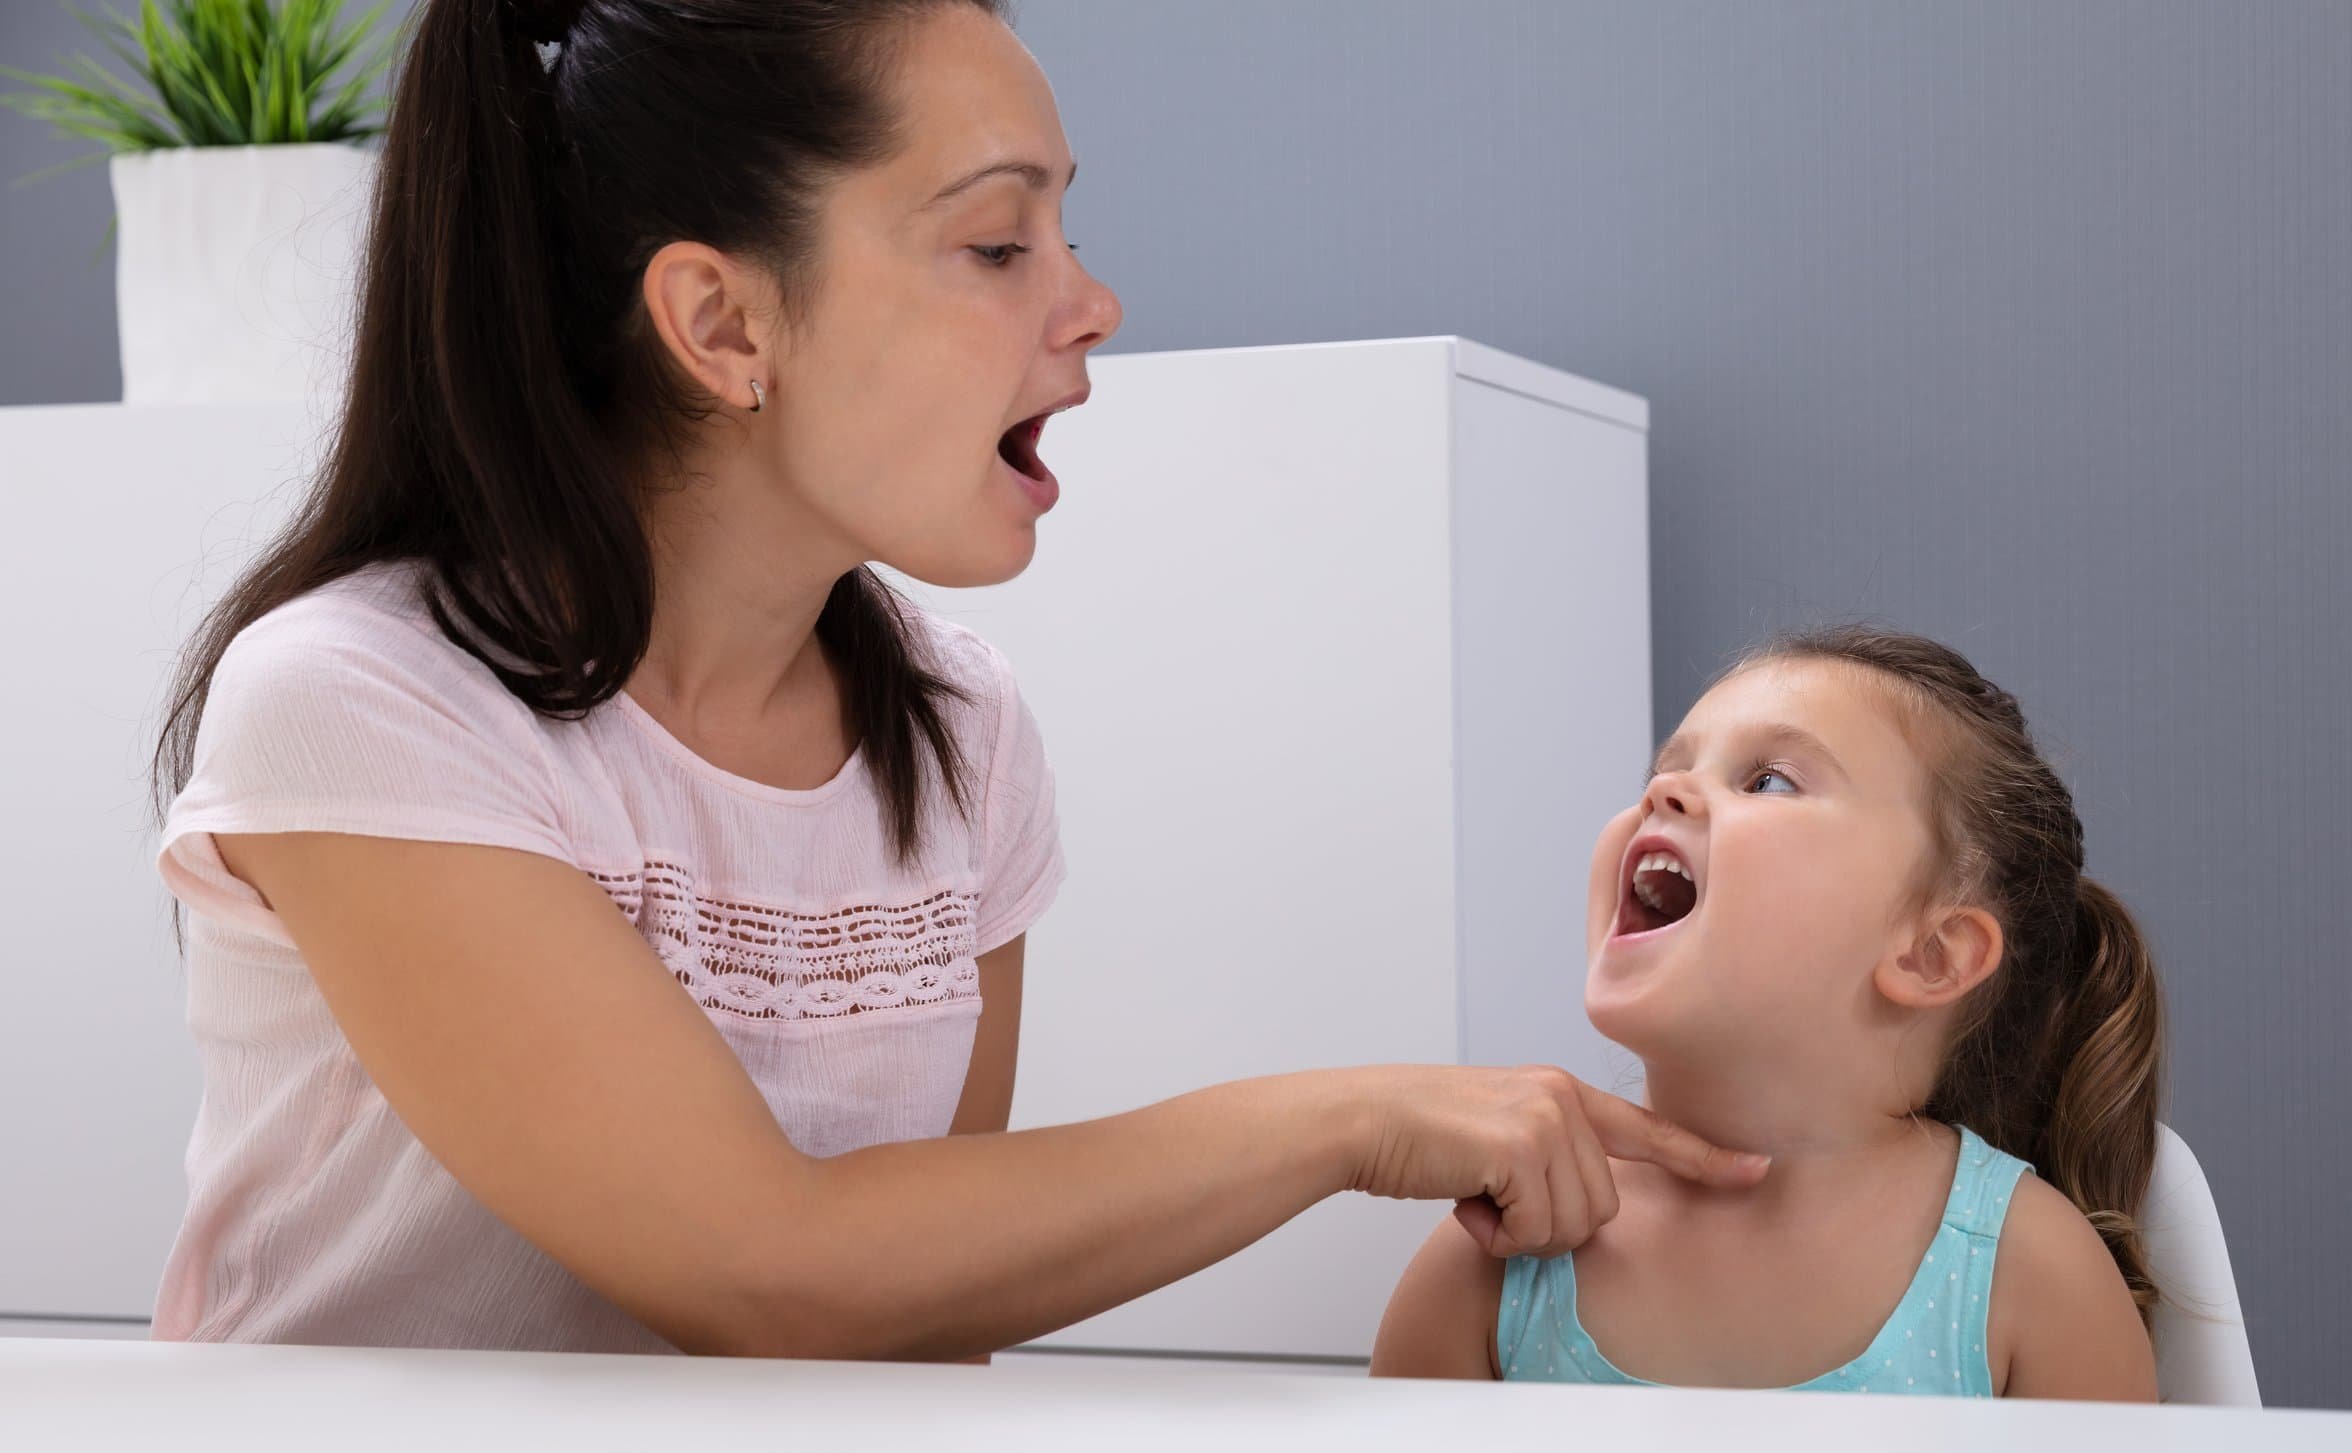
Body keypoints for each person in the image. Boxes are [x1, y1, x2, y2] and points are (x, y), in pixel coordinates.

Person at [146, 0, 1765, 1357]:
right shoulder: (364, 698)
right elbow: (767, 1264)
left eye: (1066, 227)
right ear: (719, 321)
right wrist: (1352, 1122)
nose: (1090, 305)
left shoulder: (959, 730)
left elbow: (918, 1306)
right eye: (997, 240)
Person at [1372, 628, 2160, 1400]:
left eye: (1768, 781)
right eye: (1666, 768)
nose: (1660, 793)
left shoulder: (2032, 1278)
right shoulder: (1499, 1254)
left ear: (1931, 954)